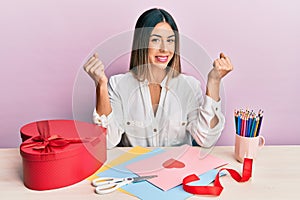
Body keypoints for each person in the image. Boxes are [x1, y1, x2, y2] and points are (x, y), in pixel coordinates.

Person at [84, 8, 233, 149]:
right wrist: (101, 85)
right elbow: (107, 141)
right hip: (134, 170)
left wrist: (214, 82)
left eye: (170, 40)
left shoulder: (190, 86)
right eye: (155, 40)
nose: (164, 49)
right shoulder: (118, 84)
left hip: (178, 171)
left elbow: (206, 139)